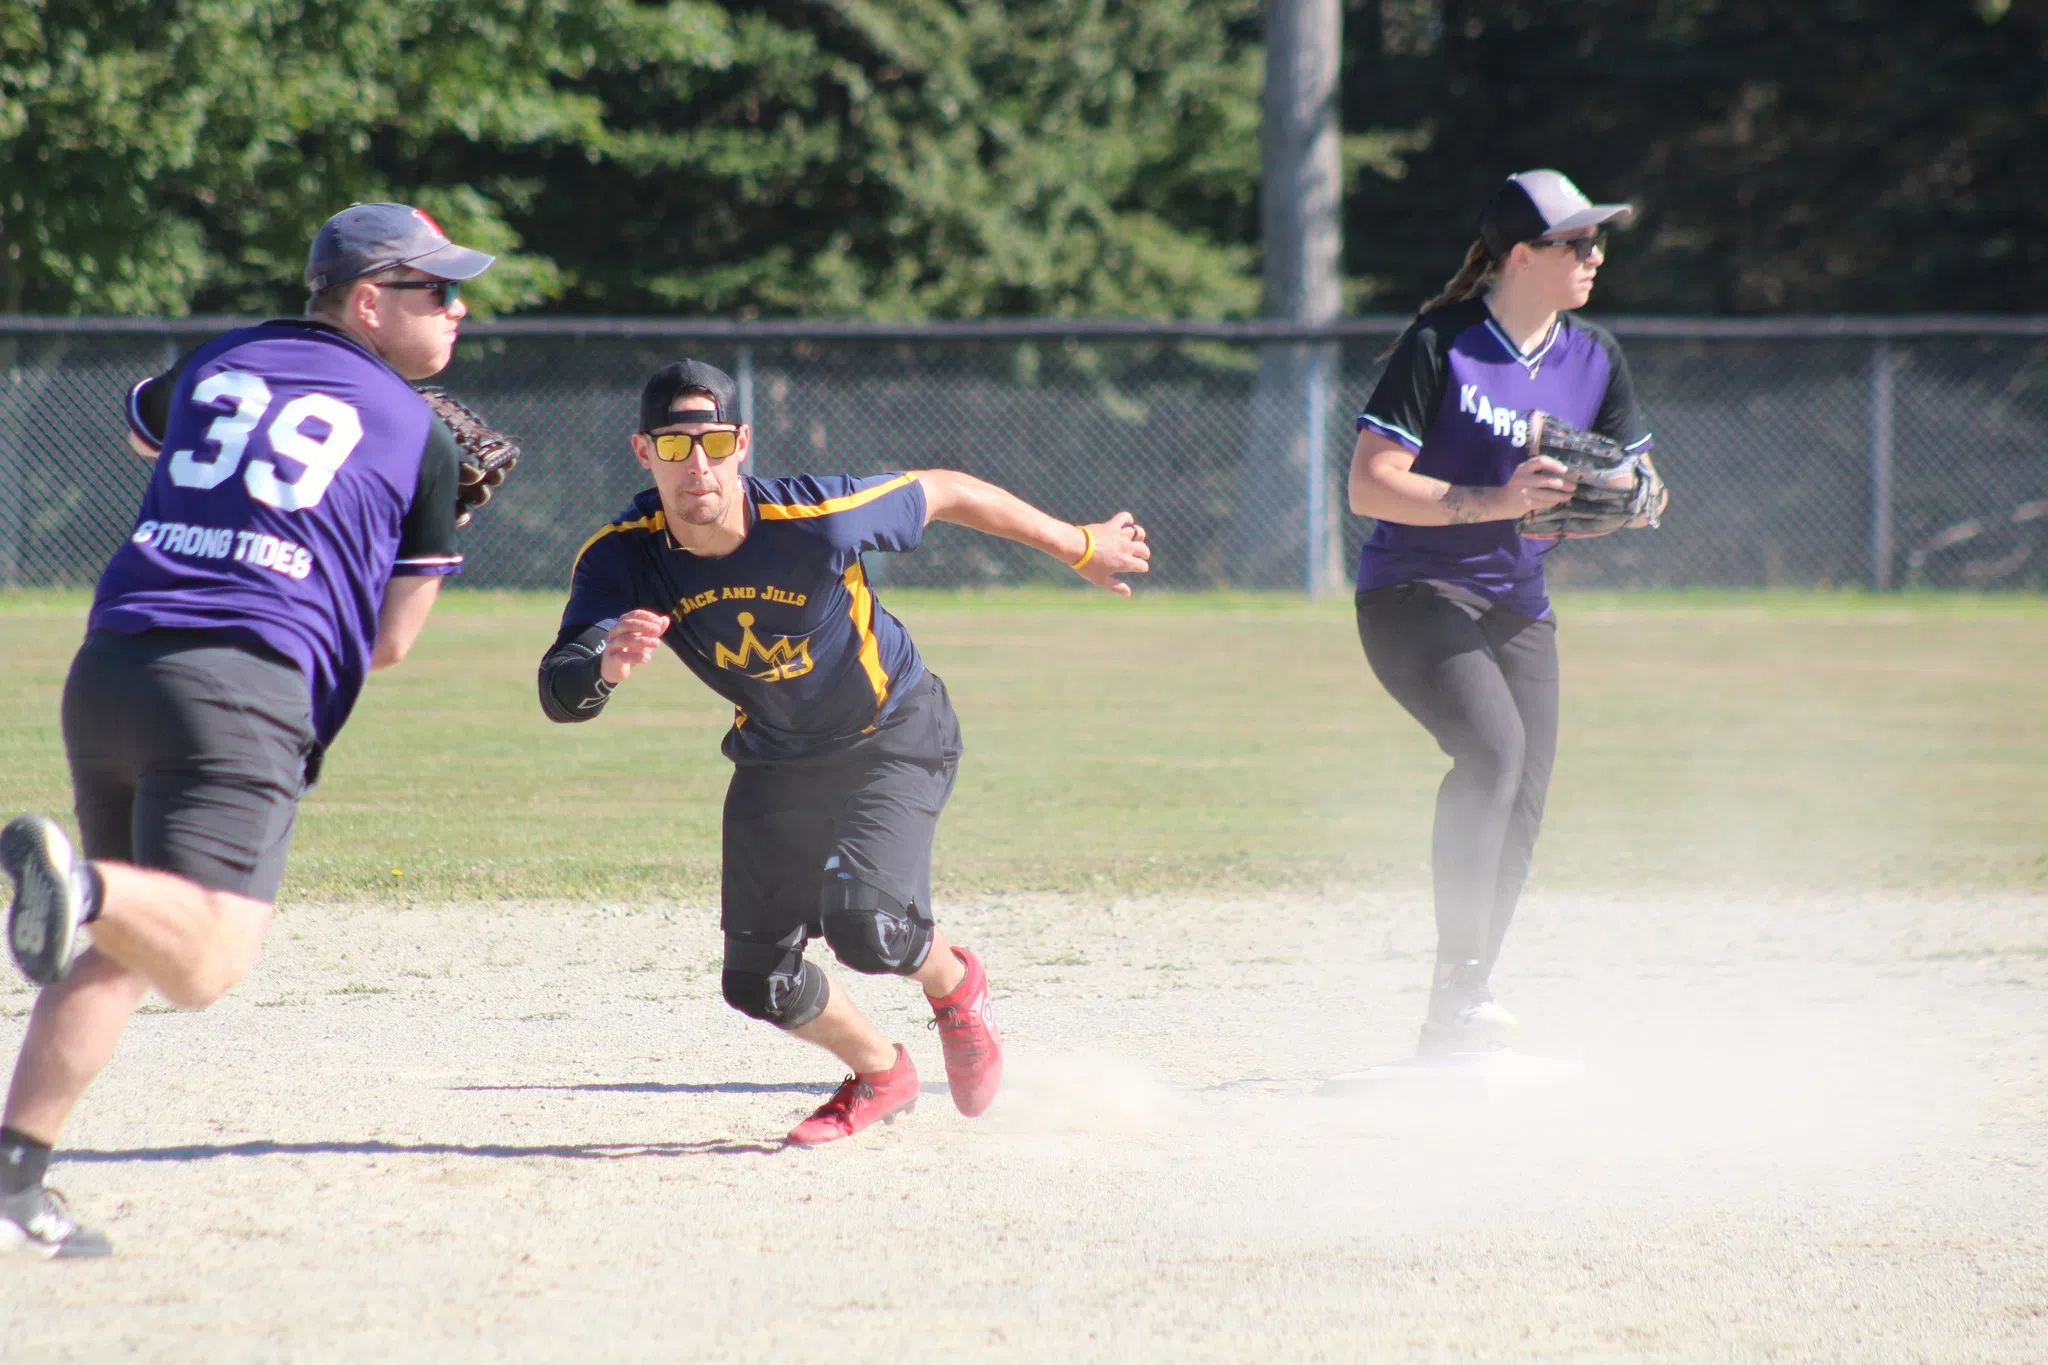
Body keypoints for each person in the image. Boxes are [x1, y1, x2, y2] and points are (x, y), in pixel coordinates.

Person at [0, 203, 495, 1257]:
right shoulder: (420, 435)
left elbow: (148, 422)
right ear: (368, 301)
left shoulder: (222, 356)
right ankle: (74, 882)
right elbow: (390, 643)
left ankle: (13, 1181)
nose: (458, 310)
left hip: (110, 665)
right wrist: (430, 515)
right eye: (436, 290)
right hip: (237, 687)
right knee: (208, 957)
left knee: (130, 945)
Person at [538, 359, 1149, 1144]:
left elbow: (947, 489)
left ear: (742, 445)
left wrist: (1080, 544)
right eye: (674, 444)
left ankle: (956, 984)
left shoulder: (815, 518)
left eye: (714, 441)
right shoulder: (624, 558)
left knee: (868, 929)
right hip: (777, 754)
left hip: (892, 732)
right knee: (757, 979)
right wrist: (603, 667)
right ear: (642, 452)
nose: (697, 464)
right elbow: (560, 688)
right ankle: (881, 1072)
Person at [1346, 170, 1663, 1056]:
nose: (1595, 256)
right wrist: (1498, 499)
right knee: (1492, 750)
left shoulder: (1594, 355)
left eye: (1598, 242)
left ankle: (1464, 997)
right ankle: (1457, 992)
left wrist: (1627, 498)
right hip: (1412, 594)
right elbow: (1369, 484)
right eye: (1576, 243)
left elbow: (1644, 480)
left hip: (1519, 601)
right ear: (1522, 256)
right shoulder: (1441, 342)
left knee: (1524, 792)